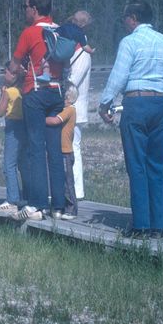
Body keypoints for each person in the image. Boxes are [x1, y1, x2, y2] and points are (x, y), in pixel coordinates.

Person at [99, 0, 163, 239]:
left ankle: (140, 225)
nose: (124, 22)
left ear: (133, 18)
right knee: (156, 163)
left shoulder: (130, 42)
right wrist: (162, 99)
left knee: (136, 164)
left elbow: (119, 75)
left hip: (135, 102)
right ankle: (157, 225)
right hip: (157, 103)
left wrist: (106, 102)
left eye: (125, 17)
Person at [8, 0, 67, 221]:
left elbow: (14, 66)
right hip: (56, 92)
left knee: (35, 148)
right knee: (54, 150)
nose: (24, 10)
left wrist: (19, 69)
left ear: (34, 9)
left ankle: (39, 204)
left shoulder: (30, 32)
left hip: (35, 92)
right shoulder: (58, 29)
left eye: (26, 6)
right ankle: (59, 206)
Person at [0, 64, 27, 218]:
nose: (4, 73)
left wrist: (2, 95)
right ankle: (24, 196)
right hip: (24, 127)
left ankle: (12, 200)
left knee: (9, 164)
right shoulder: (22, 91)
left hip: (12, 127)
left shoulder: (9, 92)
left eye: (5, 71)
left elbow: (0, 112)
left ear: (13, 75)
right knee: (22, 163)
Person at [67, 10, 93, 201]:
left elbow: (73, 80)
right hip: (71, 108)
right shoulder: (75, 52)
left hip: (76, 109)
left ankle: (77, 190)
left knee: (74, 147)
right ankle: (71, 188)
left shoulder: (83, 55)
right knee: (69, 147)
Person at [46, 85, 78, 219]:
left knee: (67, 181)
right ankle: (63, 206)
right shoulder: (66, 109)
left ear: (69, 99)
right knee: (61, 179)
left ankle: (72, 209)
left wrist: (40, 118)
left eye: (63, 98)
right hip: (62, 150)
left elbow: (54, 121)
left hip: (66, 151)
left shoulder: (70, 110)